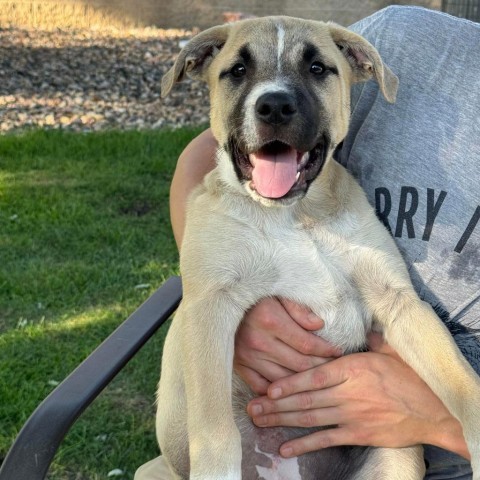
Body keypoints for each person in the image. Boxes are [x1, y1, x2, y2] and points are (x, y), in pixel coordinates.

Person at [135, 5, 480, 480]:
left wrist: (458, 420)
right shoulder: (410, 37)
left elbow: (399, 308)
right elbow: (197, 164)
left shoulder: (349, 210)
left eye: (315, 70)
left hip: (374, 450)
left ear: (359, 70)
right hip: (232, 440)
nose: (274, 98)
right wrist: (228, 300)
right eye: (238, 71)